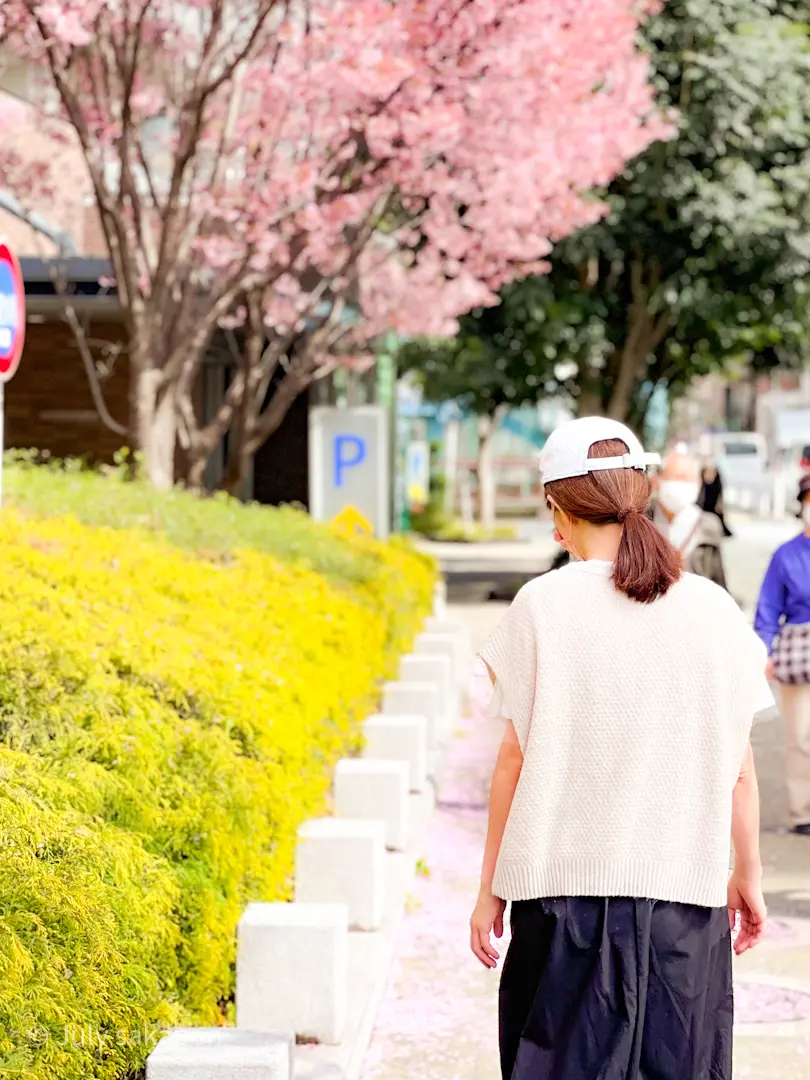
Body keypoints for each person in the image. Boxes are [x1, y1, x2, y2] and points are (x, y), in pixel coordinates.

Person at [470, 416, 773, 1080]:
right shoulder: (713, 609)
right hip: (684, 913)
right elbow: (740, 771)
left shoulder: (540, 608)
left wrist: (491, 889)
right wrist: (746, 876)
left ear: (559, 510)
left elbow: (512, 763)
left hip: (561, 911)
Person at [754, 473, 810, 837]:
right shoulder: (785, 555)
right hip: (799, 652)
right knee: (801, 737)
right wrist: (764, 651)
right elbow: (769, 607)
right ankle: (802, 811)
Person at [653, 447, 728, 587]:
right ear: (658, 481)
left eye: (686, 479)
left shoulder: (708, 526)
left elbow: (718, 580)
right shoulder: (644, 520)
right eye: (674, 478)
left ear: (698, 484)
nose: (679, 485)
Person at [699, 459, 734, 537]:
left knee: (719, 518)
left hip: (714, 502)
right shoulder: (702, 475)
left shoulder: (717, 478)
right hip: (706, 502)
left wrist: (720, 503)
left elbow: (720, 491)